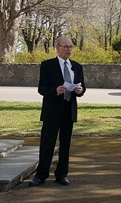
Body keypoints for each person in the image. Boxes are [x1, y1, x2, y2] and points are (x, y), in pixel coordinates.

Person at [30, 37, 85, 187]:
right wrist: (55, 90)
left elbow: (82, 87)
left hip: (69, 111)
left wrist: (80, 91)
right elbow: (41, 89)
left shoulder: (77, 66)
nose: (68, 50)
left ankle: (62, 174)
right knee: (47, 144)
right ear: (57, 47)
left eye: (71, 47)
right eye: (65, 47)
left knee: (65, 144)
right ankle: (41, 175)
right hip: (52, 111)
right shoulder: (48, 65)